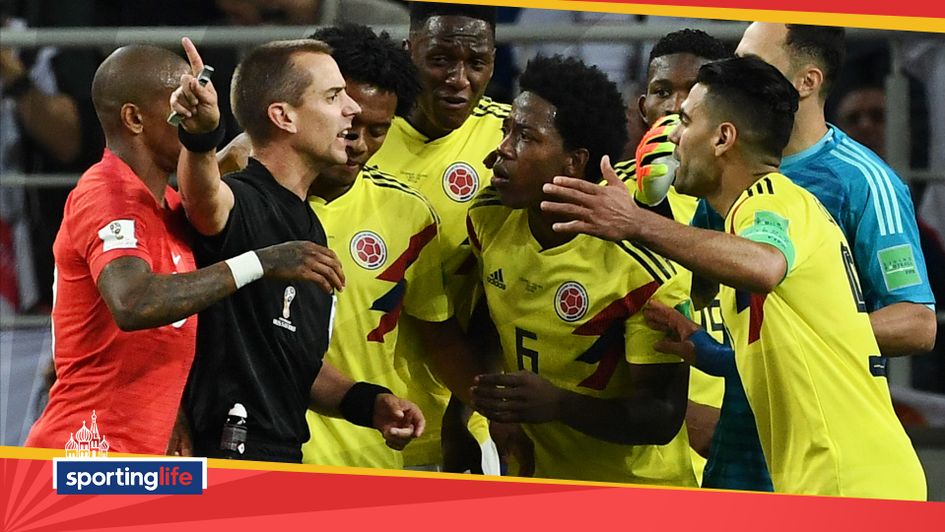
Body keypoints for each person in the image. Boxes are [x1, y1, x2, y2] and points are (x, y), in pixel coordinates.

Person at [541, 56, 926, 499]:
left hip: (846, 482)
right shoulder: (756, 216)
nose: (673, 136)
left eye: (686, 121)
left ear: (723, 138)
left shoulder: (771, 199)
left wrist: (636, 222)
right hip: (841, 477)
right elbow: (815, 345)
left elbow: (764, 266)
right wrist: (715, 355)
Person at [24, 45, 341, 456]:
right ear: (134, 119)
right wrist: (260, 262)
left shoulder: (170, 208)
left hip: (150, 457)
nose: (192, 118)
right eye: (181, 106)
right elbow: (134, 303)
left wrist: (177, 414)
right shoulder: (106, 193)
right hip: (86, 451)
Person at [171, 38, 424, 463]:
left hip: (284, 455)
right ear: (283, 116)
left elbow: (293, 363)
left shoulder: (308, 226)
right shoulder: (243, 200)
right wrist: (200, 138)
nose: (352, 109)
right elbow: (202, 198)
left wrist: (369, 404)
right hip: (228, 457)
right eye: (333, 96)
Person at [467, 55, 695, 485]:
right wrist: (489, 405)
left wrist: (559, 405)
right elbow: (492, 317)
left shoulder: (641, 267)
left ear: (574, 161)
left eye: (525, 137)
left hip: (637, 493)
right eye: (506, 131)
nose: (502, 150)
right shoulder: (487, 217)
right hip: (535, 477)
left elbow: (662, 415)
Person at [733, 23, 936, 356]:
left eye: (753, 66)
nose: (733, 80)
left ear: (807, 82)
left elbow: (916, 323)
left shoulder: (865, 181)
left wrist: (797, 343)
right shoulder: (723, 163)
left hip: (818, 390)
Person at [368, 3, 506, 471]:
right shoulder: (359, 130)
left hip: (464, 414)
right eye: (441, 59)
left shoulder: (510, 142)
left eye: (476, 62)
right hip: (354, 413)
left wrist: (469, 411)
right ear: (409, 50)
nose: (458, 79)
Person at [613, 29, 731, 478]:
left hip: (742, 449)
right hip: (642, 466)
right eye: (662, 91)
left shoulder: (757, 201)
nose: (675, 105)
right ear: (643, 107)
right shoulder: (606, 200)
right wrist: (684, 414)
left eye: (693, 91)